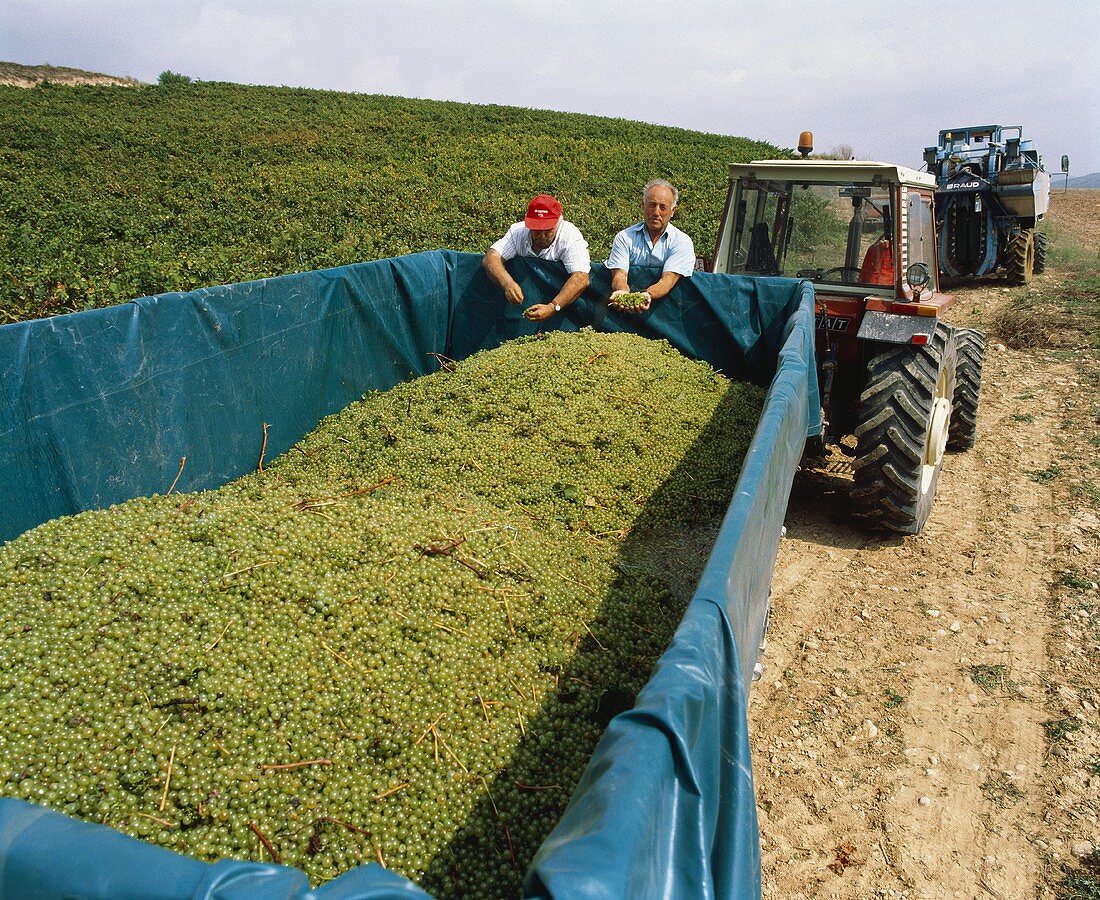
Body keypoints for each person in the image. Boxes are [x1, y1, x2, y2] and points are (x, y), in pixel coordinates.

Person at [482, 194, 591, 321]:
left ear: (559, 222)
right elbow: (491, 258)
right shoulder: (518, 232)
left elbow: (581, 278)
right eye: (536, 230)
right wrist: (507, 283)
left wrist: (552, 307)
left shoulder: (570, 236)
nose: (542, 235)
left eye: (548, 230)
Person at [606, 178, 696, 313]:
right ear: (643, 206)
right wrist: (622, 291)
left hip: (668, 314)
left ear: (672, 211)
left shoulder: (681, 242)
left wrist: (647, 295)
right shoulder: (624, 237)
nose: (656, 212)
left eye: (663, 207)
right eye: (652, 205)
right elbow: (619, 274)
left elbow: (668, 279)